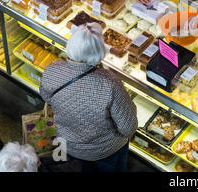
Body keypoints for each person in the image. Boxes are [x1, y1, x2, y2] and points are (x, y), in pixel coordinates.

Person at [40, 23, 137, 172]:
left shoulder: (52, 70)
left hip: (69, 146)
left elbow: (47, 97)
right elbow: (128, 128)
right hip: (107, 150)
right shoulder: (110, 83)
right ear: (100, 51)